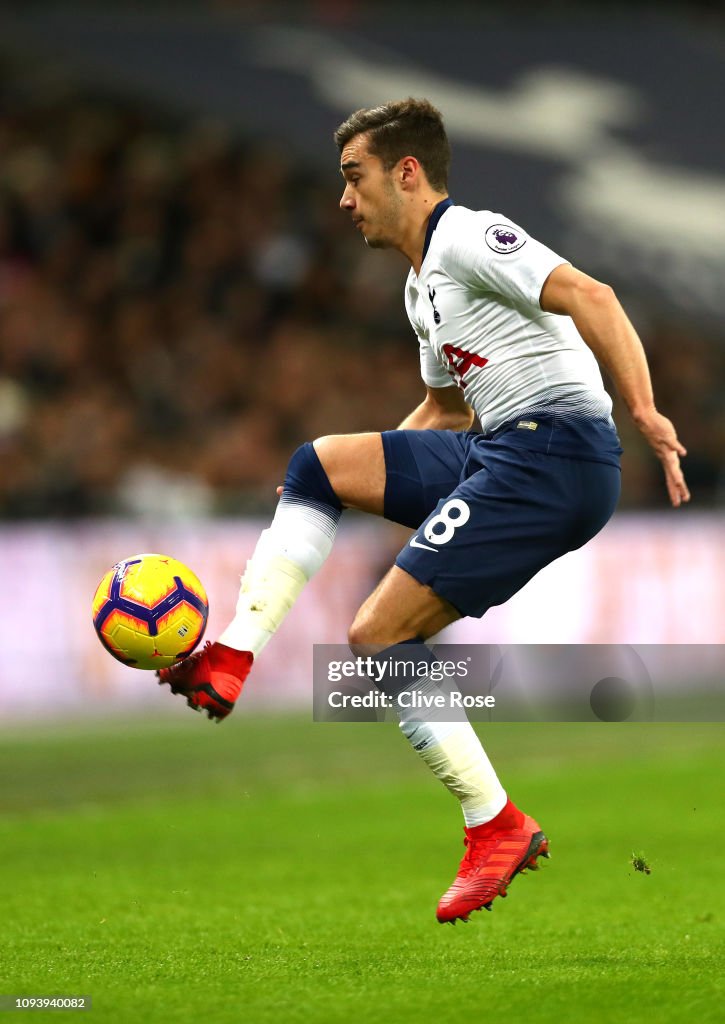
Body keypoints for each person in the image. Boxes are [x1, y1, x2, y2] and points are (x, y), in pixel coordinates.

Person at [158, 98, 690, 924]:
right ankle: (230, 655)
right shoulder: (420, 291)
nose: (343, 199)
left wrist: (645, 410)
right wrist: (356, 482)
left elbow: (594, 294)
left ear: (406, 173)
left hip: (555, 455)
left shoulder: (470, 236)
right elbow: (443, 412)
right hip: (502, 448)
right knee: (316, 463)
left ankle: (496, 826)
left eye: (353, 177)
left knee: (377, 638)